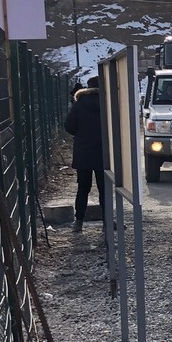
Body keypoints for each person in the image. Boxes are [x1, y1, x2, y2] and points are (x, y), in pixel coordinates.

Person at [64, 75, 105, 233]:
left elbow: (69, 126)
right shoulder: (107, 103)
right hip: (103, 153)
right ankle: (107, 222)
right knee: (104, 189)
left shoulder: (80, 104)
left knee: (83, 188)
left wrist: (81, 134)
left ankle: (78, 222)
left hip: (84, 153)